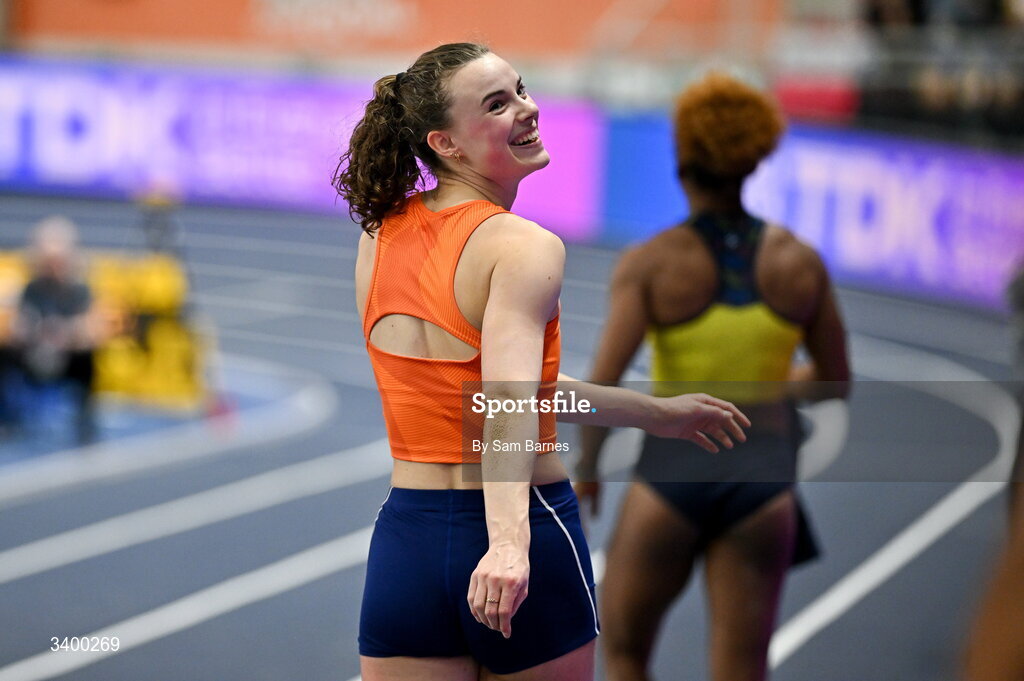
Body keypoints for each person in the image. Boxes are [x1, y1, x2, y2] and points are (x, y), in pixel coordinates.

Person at [333, 43, 751, 681]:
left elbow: (487, 396)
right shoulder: (523, 246)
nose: (527, 110)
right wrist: (507, 540)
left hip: (408, 545)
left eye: (521, 90)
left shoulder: (378, 234)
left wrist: (656, 415)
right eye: (497, 105)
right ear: (445, 143)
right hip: (526, 526)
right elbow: (505, 402)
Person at [574, 72, 851, 681]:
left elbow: (601, 385)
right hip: (763, 482)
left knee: (623, 652)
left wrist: (588, 470)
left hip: (672, 474)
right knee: (744, 666)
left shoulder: (652, 264)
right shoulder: (799, 264)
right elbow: (835, 382)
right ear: (754, 161)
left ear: (683, 161)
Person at [8, 217, 101, 444]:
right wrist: (29, 331)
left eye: (57, 260)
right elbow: (21, 322)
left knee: (87, 359)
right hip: (33, 354)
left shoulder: (79, 291)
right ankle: (7, 418)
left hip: (67, 357)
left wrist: (67, 335)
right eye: (48, 260)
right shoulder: (32, 289)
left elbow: (91, 329)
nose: (53, 266)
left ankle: (84, 418)